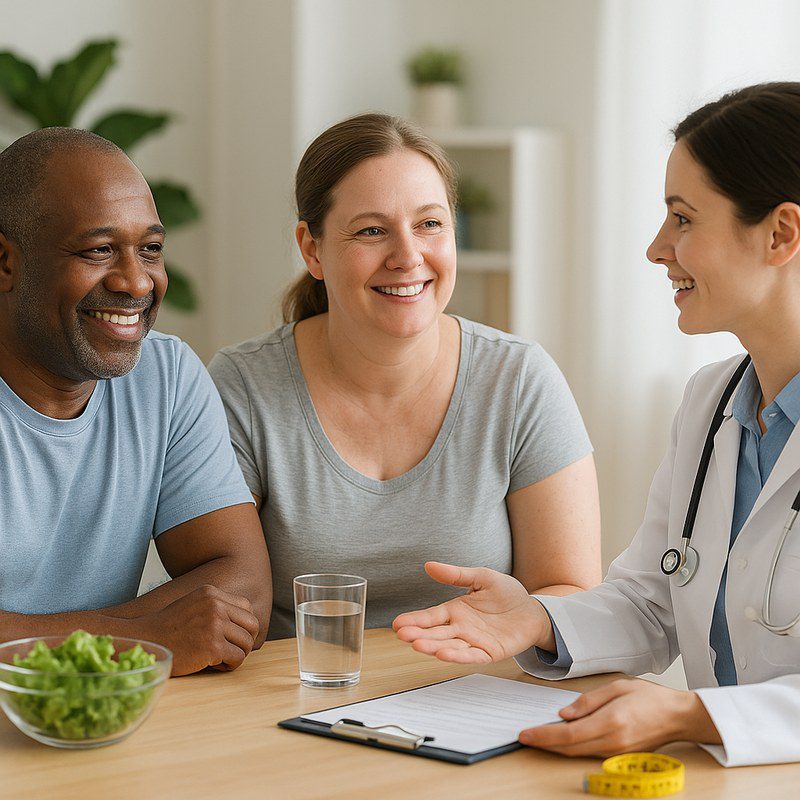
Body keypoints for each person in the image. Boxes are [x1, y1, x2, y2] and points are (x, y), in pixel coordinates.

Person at [393, 82, 800, 768]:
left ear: (782, 233)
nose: (656, 248)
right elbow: (651, 601)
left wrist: (687, 711)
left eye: (682, 219)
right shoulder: (711, 402)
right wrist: (537, 619)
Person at [208, 113, 601, 639]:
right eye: (372, 230)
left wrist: (522, 618)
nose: (408, 256)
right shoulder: (242, 387)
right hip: (297, 704)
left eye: (430, 224)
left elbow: (572, 595)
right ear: (312, 248)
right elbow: (221, 603)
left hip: (474, 698)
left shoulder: (519, 380)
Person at [0, 128, 272, 675]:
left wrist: (66, 644)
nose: (136, 282)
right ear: (6, 263)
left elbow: (243, 586)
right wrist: (139, 641)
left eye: (150, 249)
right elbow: (168, 633)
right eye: (99, 250)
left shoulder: (165, 375)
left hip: (108, 731)